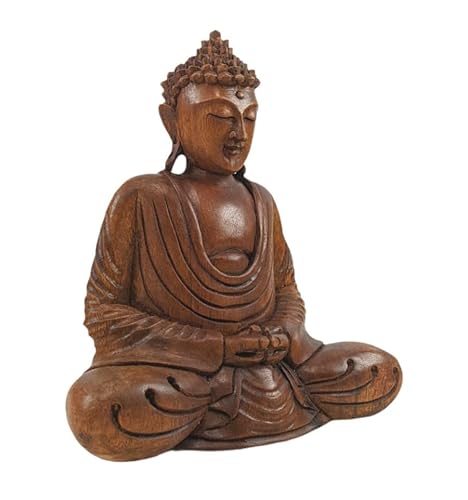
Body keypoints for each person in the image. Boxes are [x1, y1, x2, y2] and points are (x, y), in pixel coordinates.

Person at [66, 31, 402, 461]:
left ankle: (254, 400)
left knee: (378, 369)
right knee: (100, 408)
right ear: (172, 121)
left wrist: (282, 333)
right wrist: (216, 347)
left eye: (250, 118)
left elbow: (286, 290)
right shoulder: (143, 197)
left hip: (273, 370)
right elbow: (103, 311)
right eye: (219, 118)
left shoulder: (261, 200)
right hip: (179, 375)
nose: (238, 133)